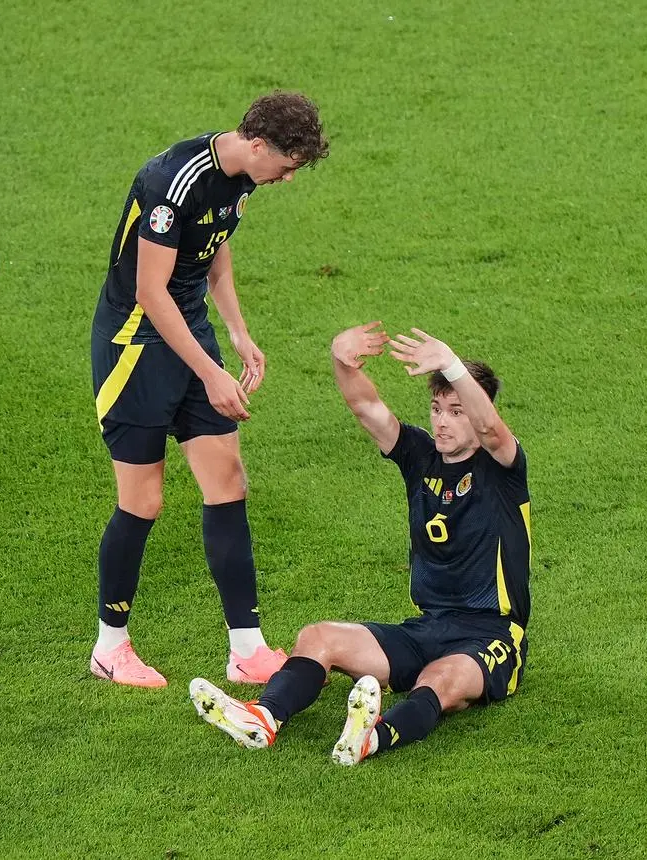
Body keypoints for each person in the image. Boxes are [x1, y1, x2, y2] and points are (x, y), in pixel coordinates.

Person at [189, 323, 532, 763]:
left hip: (491, 633)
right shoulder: (421, 456)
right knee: (318, 637)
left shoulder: (503, 468)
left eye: (456, 410)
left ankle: (370, 737)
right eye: (436, 408)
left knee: (441, 679)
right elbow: (366, 406)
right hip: (427, 625)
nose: (442, 421)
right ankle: (263, 718)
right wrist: (340, 359)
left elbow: (491, 430)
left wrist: (449, 361)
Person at [89, 92, 329, 688]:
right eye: (288, 164)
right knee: (142, 502)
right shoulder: (171, 183)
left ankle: (247, 649)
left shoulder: (240, 177)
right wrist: (210, 372)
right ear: (256, 143)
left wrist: (239, 334)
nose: (289, 177)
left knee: (227, 482)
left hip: (188, 331)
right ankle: (110, 646)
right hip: (135, 345)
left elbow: (215, 251)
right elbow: (150, 290)